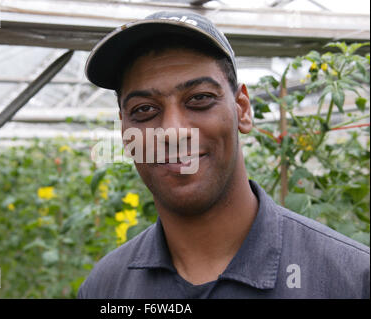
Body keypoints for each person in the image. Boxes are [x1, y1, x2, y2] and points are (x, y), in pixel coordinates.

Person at [78, 11, 370, 298]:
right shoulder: (105, 288)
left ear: (242, 109)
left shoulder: (350, 280)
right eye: (144, 110)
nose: (173, 131)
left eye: (200, 99)